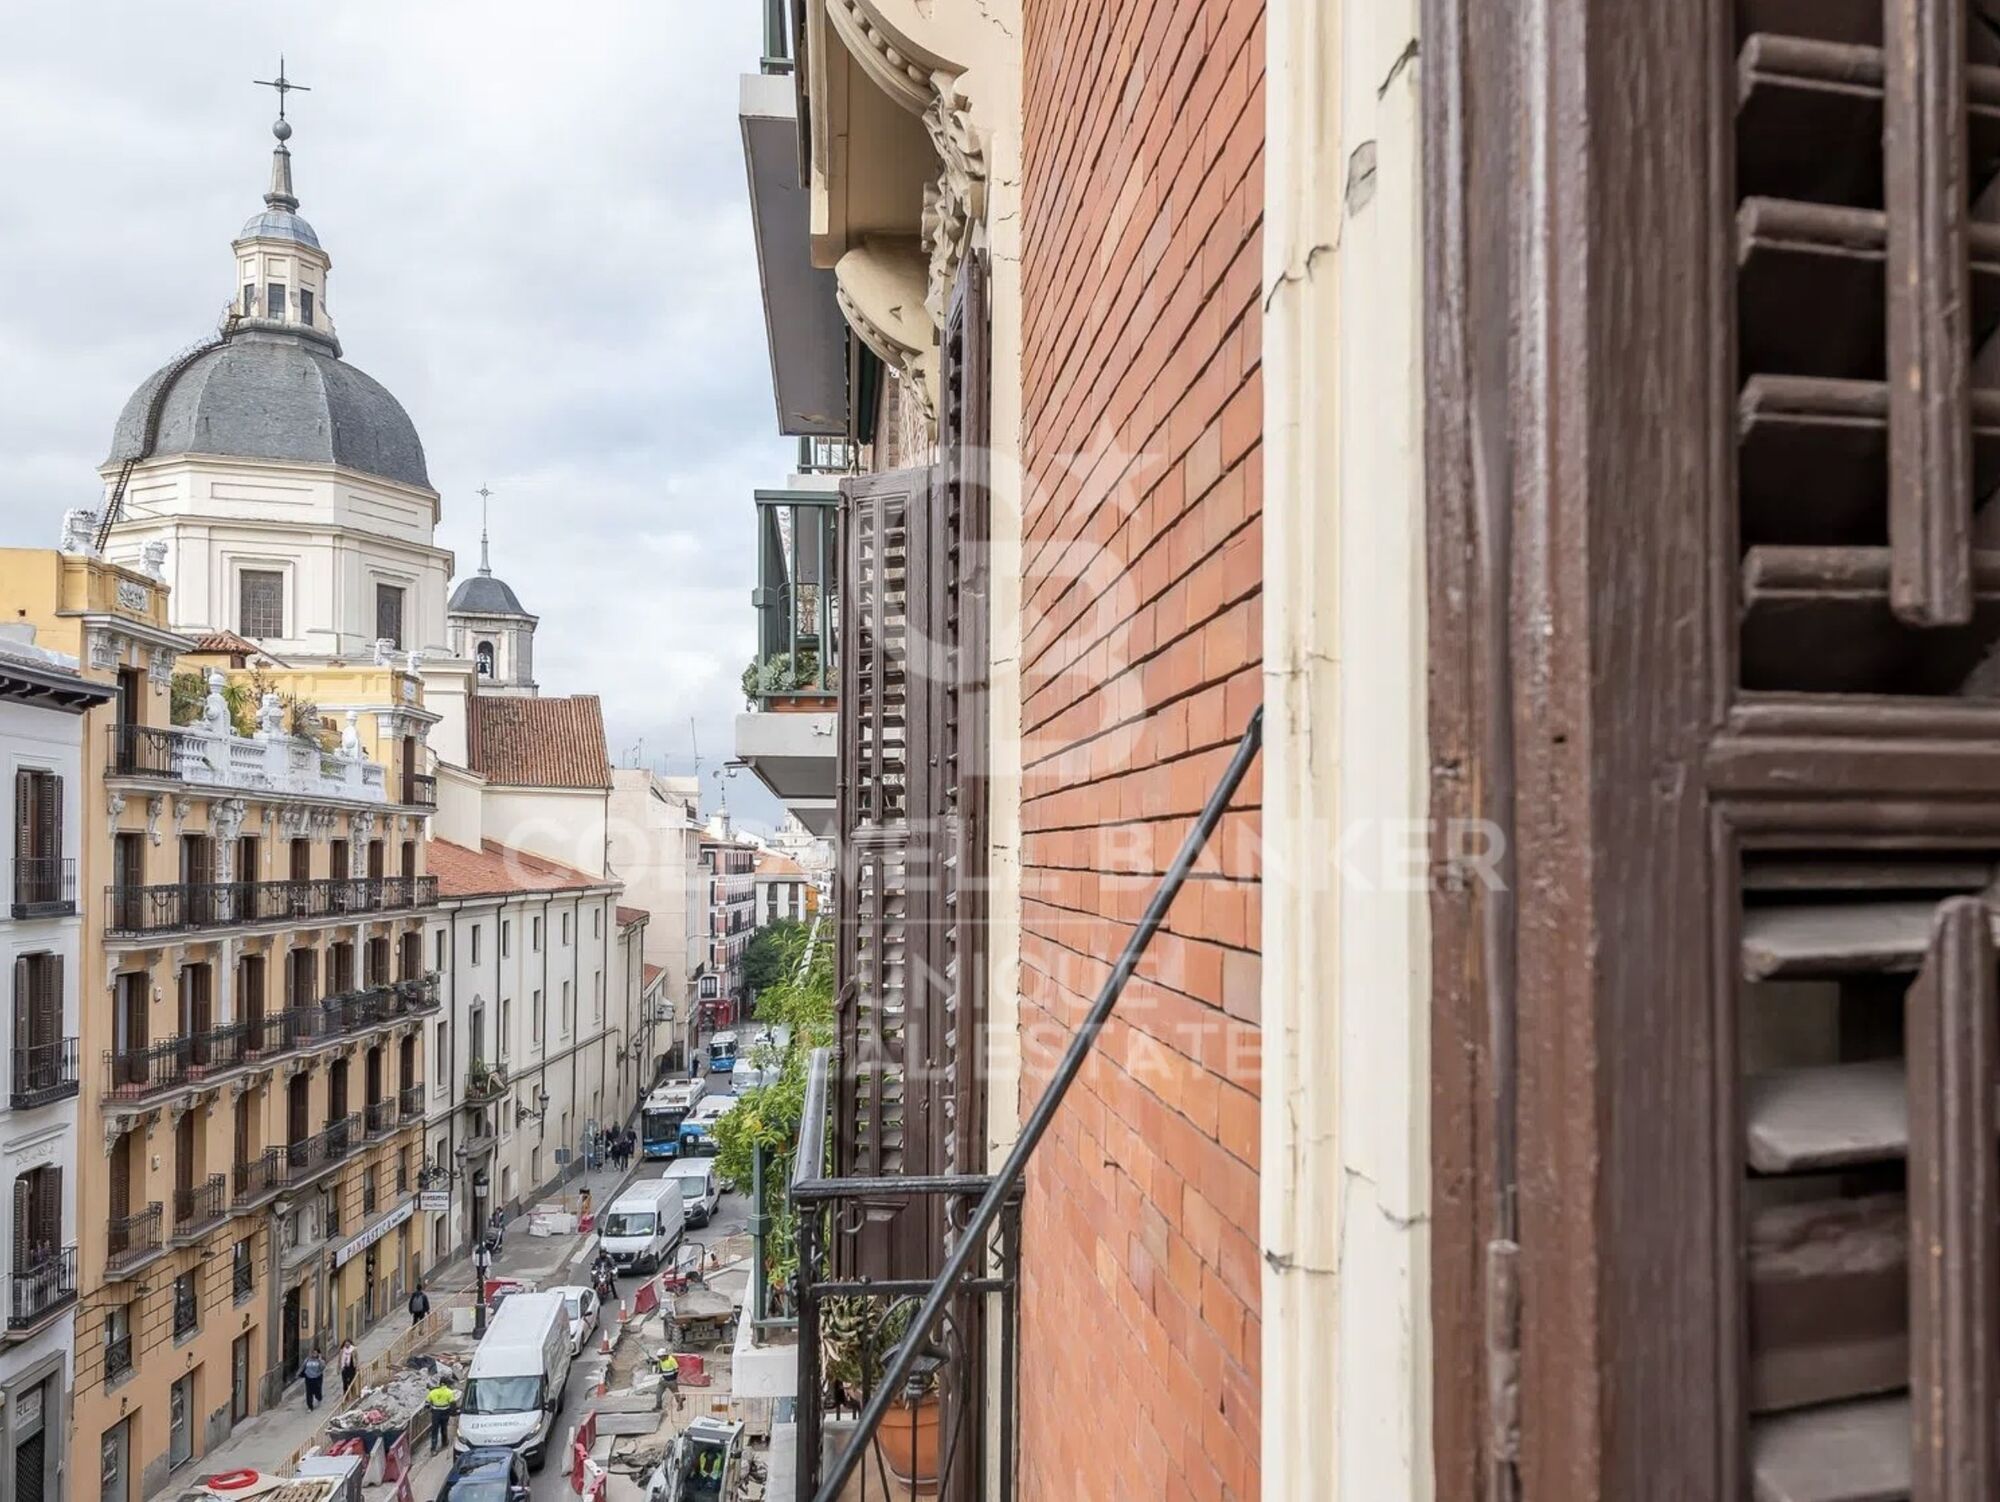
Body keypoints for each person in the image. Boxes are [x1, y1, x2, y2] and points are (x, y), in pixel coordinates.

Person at [424, 1376, 458, 1455]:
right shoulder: (449, 1392)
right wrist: (453, 1413)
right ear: (446, 1384)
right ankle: (444, 1442)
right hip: (445, 1413)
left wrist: (430, 1408)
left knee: (435, 1430)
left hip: (435, 1413)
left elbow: (427, 1404)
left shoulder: (433, 1392)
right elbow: (453, 1404)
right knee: (444, 1427)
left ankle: (433, 1449)